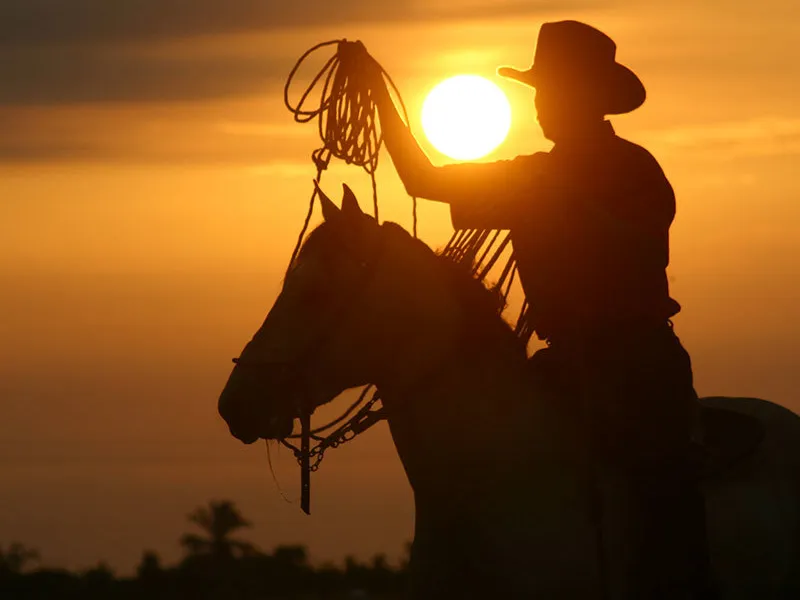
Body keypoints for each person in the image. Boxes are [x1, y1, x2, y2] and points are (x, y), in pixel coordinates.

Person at [359, 20, 714, 599]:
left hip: (638, 364)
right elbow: (424, 180)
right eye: (538, 94)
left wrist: (561, 200)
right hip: (565, 360)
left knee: (661, 485)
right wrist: (380, 100)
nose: (541, 106)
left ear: (584, 98)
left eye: (551, 93)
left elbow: (638, 238)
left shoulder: (632, 168)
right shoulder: (530, 175)